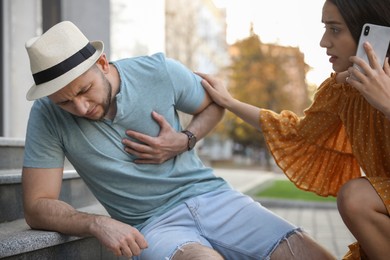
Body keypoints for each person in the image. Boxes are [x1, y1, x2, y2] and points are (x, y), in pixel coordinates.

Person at [22, 21, 335, 260]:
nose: (80, 108)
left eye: (83, 91)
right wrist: (96, 223)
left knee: (311, 254)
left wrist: (186, 139)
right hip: (154, 225)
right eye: (64, 102)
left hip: (215, 197)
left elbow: (214, 104)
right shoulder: (47, 114)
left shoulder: (158, 70)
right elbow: (37, 206)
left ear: (102, 64)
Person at [198, 0, 390, 259]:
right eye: (325, 28)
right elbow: (295, 133)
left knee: (356, 197)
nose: (324, 42)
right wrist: (230, 102)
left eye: (335, 29)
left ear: (371, 32)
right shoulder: (342, 91)